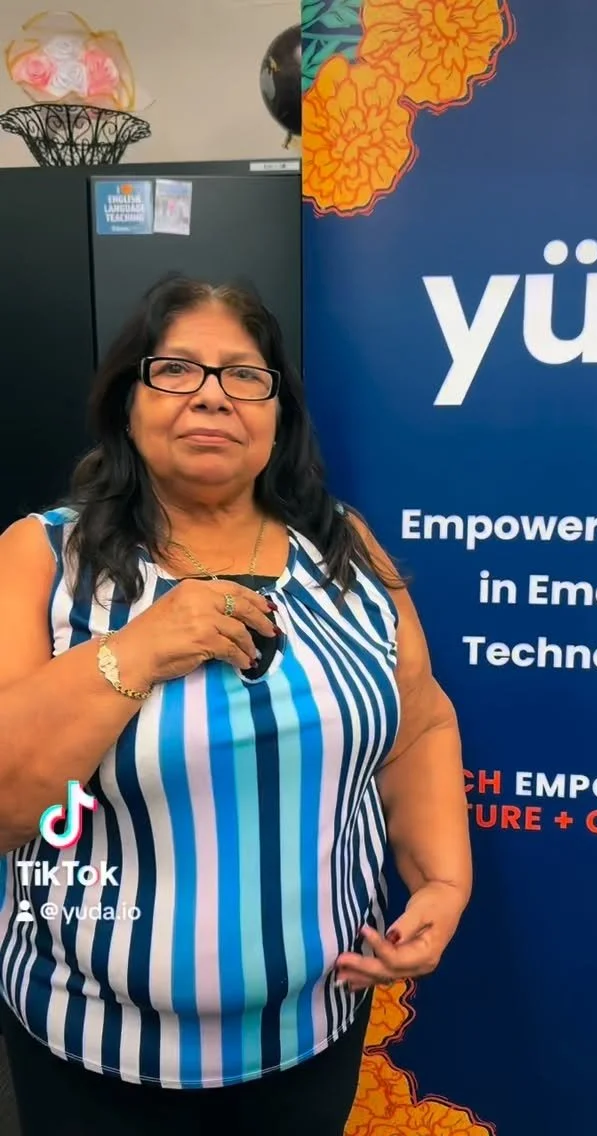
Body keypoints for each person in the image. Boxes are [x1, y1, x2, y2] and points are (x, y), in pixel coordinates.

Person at [0, 277, 471, 1135]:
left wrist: (443, 879)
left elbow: (422, 721)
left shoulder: (344, 547)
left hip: (314, 1035)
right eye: (176, 369)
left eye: (245, 375)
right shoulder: (42, 558)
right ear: (129, 404)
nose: (213, 394)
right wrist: (138, 650)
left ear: (278, 415)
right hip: (92, 1051)